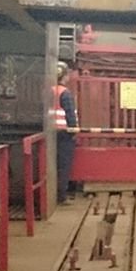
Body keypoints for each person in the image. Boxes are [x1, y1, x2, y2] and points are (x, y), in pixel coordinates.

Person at [52, 61, 77, 204]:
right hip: (64, 134)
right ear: (64, 76)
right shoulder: (65, 93)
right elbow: (70, 115)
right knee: (64, 165)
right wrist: (73, 131)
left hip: (50, 133)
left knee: (51, 164)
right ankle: (61, 195)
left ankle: (50, 194)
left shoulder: (49, 91)